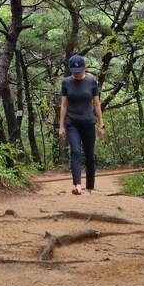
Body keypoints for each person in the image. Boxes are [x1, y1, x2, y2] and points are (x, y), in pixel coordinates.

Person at [57, 53, 104, 195]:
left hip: (88, 123)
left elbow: (96, 104)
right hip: (72, 123)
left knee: (89, 154)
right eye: (74, 72)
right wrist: (61, 126)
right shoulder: (66, 82)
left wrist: (101, 125)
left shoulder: (92, 81)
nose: (77, 74)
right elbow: (64, 105)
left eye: (79, 71)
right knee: (75, 151)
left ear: (84, 68)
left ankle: (89, 187)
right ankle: (77, 185)